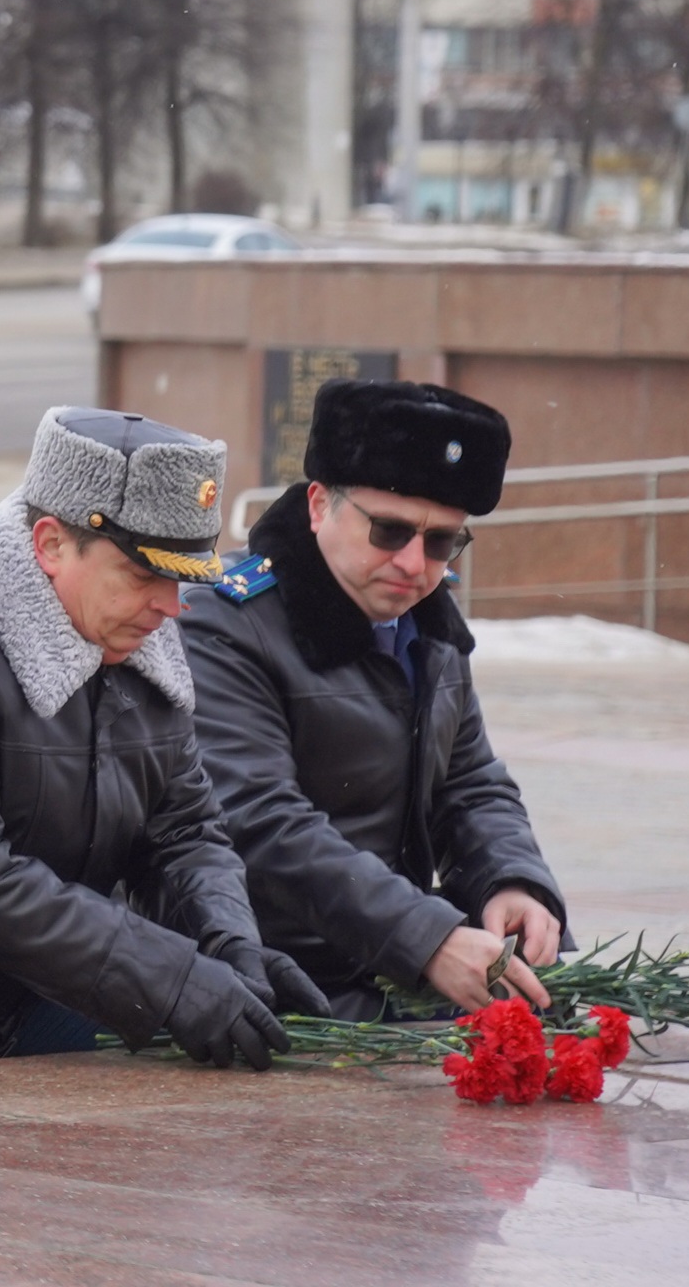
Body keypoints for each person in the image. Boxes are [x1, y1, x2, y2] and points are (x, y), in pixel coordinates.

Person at [0, 407, 326, 1069]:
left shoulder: (132, 628)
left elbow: (184, 829)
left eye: (180, 578)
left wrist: (225, 945)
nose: (171, 607)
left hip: (36, 1006)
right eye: (143, 576)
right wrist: (171, 981)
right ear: (49, 543)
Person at [183, 380, 563, 1019]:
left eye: (442, 541)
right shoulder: (224, 623)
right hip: (263, 982)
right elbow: (260, 822)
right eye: (388, 531)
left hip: (390, 967)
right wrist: (426, 936)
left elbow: (469, 782)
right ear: (317, 506)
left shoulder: (430, 622)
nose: (415, 565)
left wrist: (512, 880)